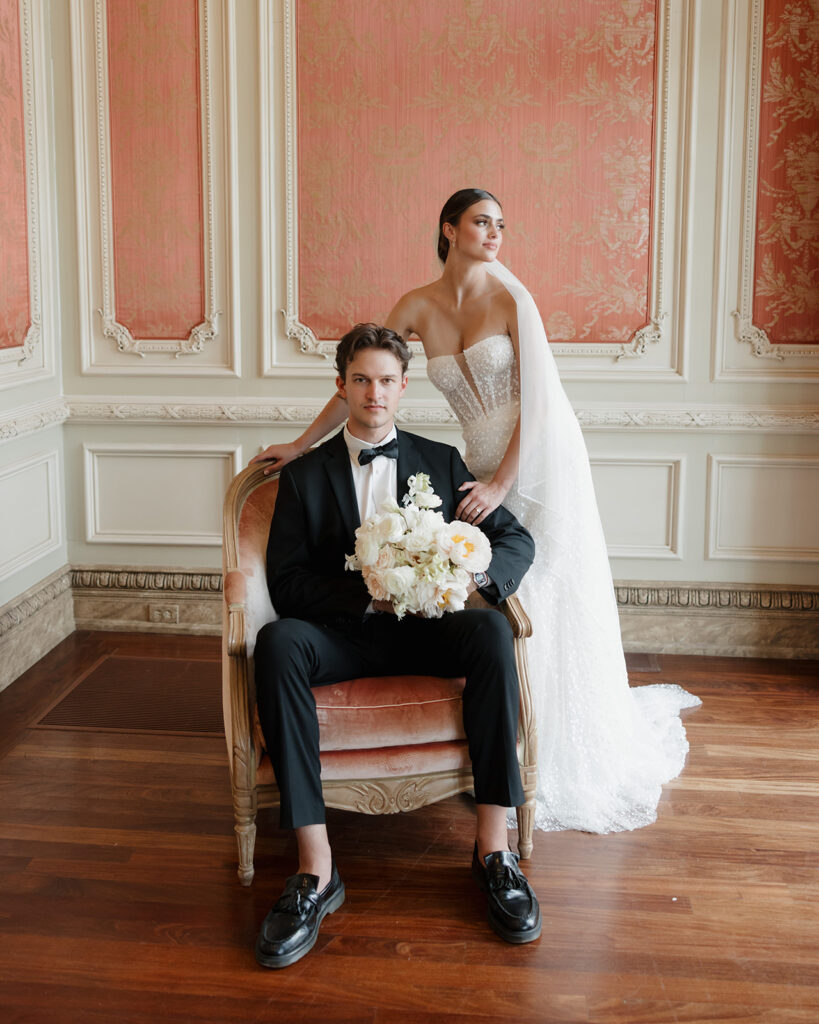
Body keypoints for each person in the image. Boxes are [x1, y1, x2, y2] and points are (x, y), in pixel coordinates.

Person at [253, 189, 700, 836]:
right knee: (468, 593)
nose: (494, 234)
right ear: (448, 228)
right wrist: (301, 444)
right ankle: (492, 746)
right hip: (477, 454)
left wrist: (500, 483)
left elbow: (539, 404)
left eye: (500, 225)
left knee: (525, 593)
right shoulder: (415, 306)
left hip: (537, 458)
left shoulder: (511, 299)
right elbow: (369, 370)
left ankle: (533, 757)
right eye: (481, 222)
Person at [253, 322, 541, 969]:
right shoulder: (306, 477)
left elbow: (513, 538)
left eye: (385, 380)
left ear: (403, 387)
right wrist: (366, 598)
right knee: (276, 643)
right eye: (360, 379)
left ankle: (493, 852)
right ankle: (315, 871)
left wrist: (479, 577)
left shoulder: (439, 462)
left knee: (490, 630)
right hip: (345, 635)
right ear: (341, 386)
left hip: (430, 632)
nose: (373, 392)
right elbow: (287, 581)